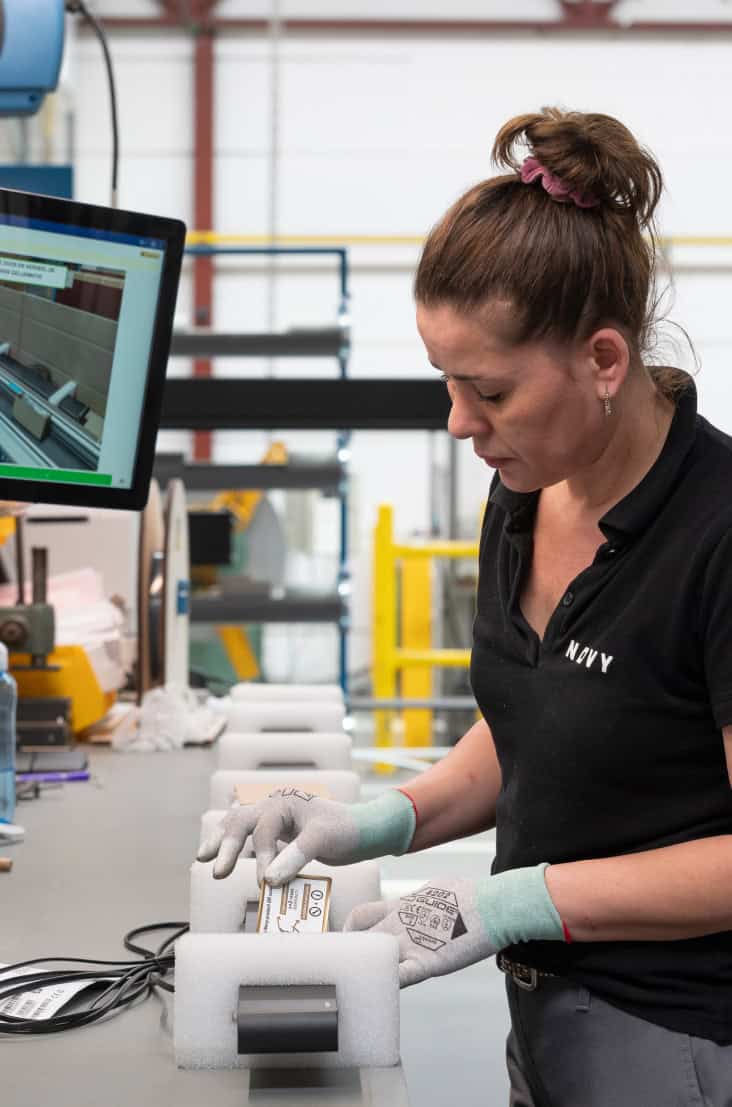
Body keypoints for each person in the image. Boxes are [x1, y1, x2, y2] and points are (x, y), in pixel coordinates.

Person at [198, 108, 732, 1105]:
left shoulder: (716, 535)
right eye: (446, 382)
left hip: (680, 1031)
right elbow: (541, 728)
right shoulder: (524, 489)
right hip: (545, 1008)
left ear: (604, 363)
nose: (457, 423)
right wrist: (365, 826)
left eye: (486, 389)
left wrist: (512, 900)